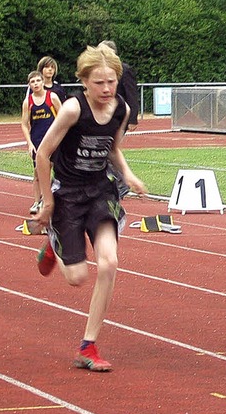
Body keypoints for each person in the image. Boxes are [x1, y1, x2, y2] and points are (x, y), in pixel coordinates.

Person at [33, 44, 146, 372]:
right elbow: (43, 154)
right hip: (67, 194)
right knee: (77, 277)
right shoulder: (72, 109)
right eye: (99, 83)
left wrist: (128, 174)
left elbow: (114, 148)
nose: (107, 89)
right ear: (84, 81)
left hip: (100, 191)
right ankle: (54, 245)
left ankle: (89, 345)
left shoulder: (120, 109)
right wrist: (47, 201)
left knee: (109, 262)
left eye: (111, 82)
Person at [99, 40, 138, 198]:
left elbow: (132, 93)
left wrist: (133, 119)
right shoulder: (100, 71)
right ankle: (113, 183)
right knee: (103, 151)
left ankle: (121, 183)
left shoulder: (124, 69)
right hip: (104, 114)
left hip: (119, 116)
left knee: (108, 149)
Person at [20, 71, 61, 214]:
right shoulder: (28, 102)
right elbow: (24, 124)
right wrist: (29, 143)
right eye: (33, 82)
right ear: (29, 85)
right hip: (37, 140)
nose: (36, 84)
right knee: (38, 173)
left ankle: (54, 200)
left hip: (54, 140)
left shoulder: (52, 97)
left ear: (43, 82)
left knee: (58, 171)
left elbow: (63, 117)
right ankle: (37, 202)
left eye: (38, 81)